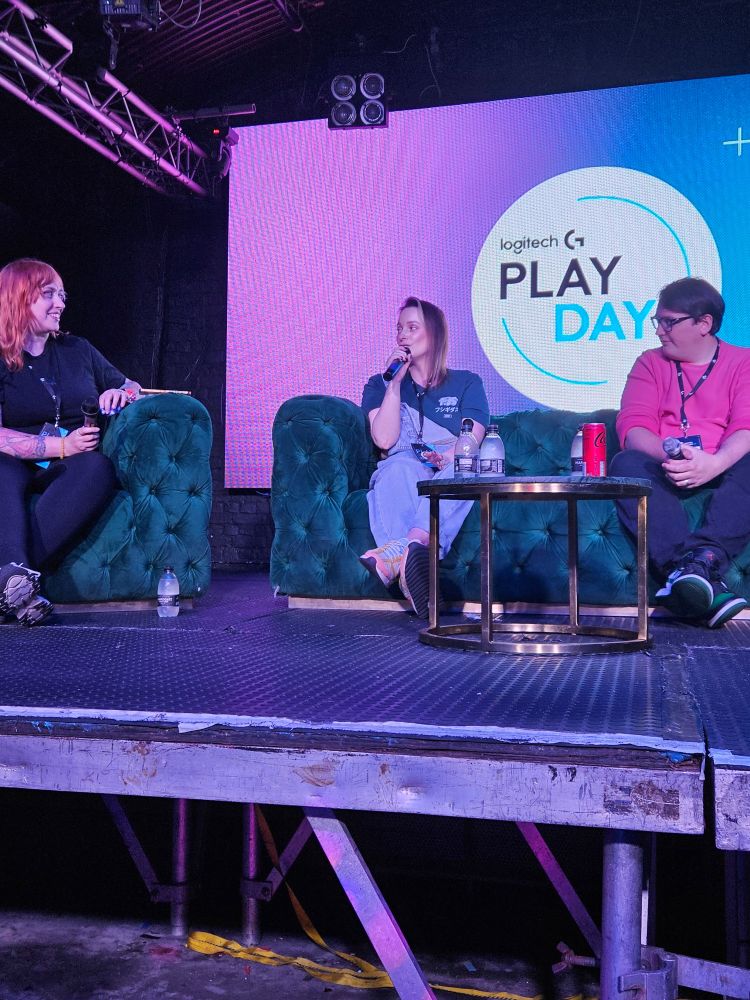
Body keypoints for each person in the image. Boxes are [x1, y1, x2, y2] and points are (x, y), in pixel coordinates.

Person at [0, 258, 142, 625]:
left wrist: (120, 393)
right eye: (49, 294)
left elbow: (131, 385)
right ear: (18, 296)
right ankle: (16, 588)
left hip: (73, 464)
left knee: (97, 466)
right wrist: (63, 446)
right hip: (14, 462)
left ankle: (11, 581)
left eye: (62, 295)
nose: (60, 304)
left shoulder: (77, 349)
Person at [610, 276, 750, 628]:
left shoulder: (743, 362)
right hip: (667, 465)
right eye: (657, 321)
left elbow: (746, 425)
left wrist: (713, 463)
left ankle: (697, 567)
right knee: (626, 462)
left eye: (669, 322)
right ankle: (693, 572)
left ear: (704, 323)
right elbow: (633, 427)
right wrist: (673, 453)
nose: (660, 331)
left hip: (724, 464)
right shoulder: (649, 363)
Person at [359, 296, 489, 617]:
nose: (402, 335)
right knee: (397, 468)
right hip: (405, 463)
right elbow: (384, 439)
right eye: (399, 328)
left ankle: (403, 552)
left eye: (412, 327)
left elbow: (472, 437)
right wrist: (393, 386)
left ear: (435, 333)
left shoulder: (467, 382)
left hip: (451, 461)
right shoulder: (379, 384)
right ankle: (414, 561)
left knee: (464, 469)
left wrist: (447, 455)